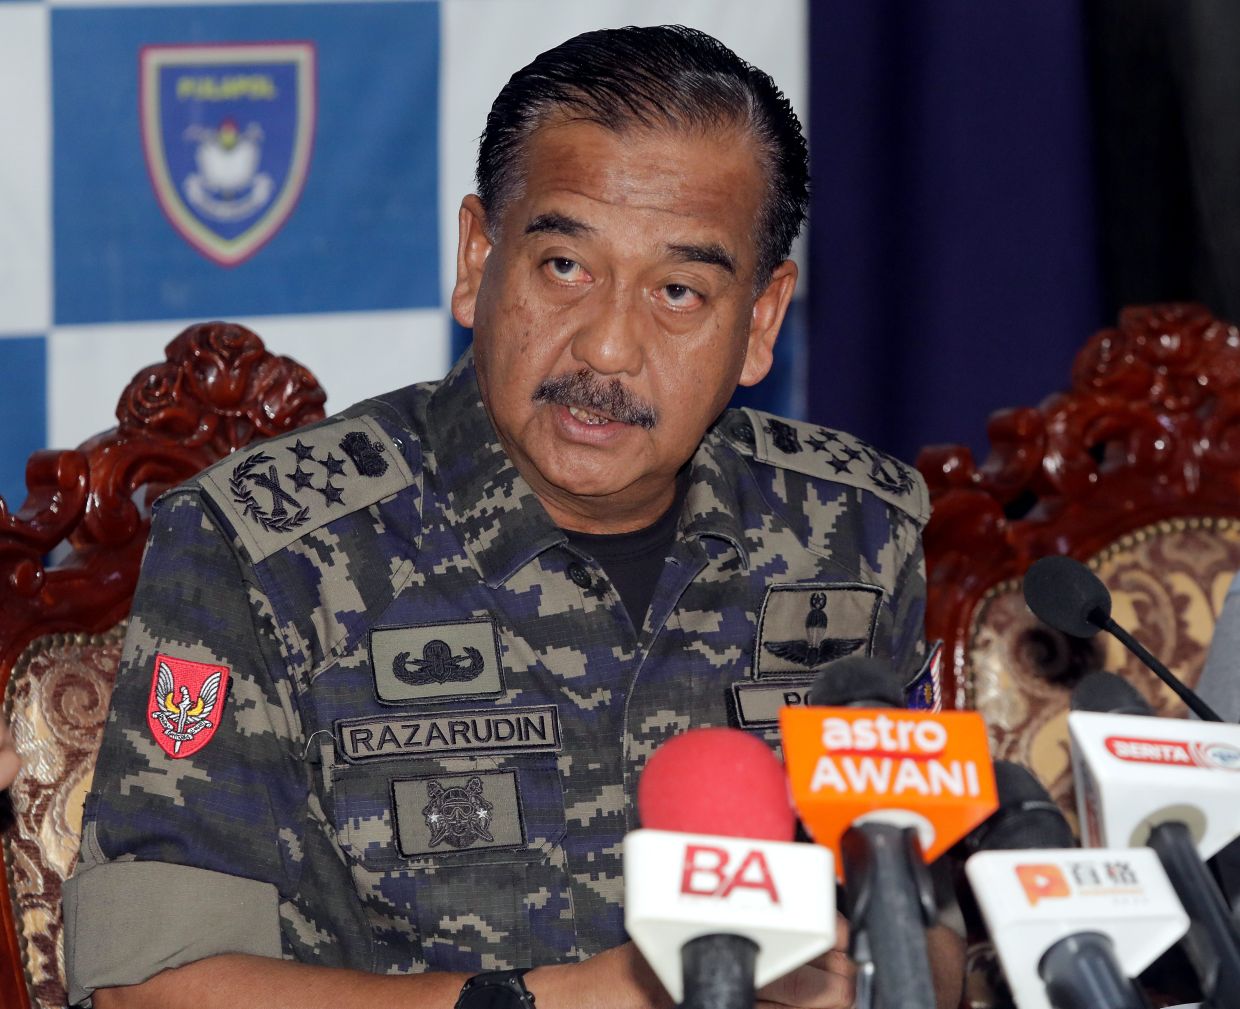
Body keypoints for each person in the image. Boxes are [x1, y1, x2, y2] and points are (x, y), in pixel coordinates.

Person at [63, 25, 962, 1009]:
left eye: (677, 291)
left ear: (758, 322)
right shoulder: (264, 546)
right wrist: (577, 996)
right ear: (477, 257)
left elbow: (933, 926)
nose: (609, 349)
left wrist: (872, 973)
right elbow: (151, 987)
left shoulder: (855, 530)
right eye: (564, 268)